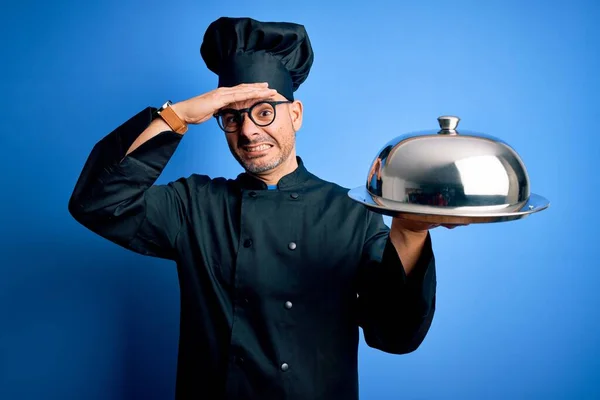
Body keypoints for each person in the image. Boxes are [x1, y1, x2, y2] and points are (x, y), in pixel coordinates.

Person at [68, 16, 441, 400]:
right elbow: (98, 202)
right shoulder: (194, 204)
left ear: (295, 115)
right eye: (231, 117)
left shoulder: (351, 213)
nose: (247, 131)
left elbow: (396, 334)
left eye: (264, 112)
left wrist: (410, 232)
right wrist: (177, 116)